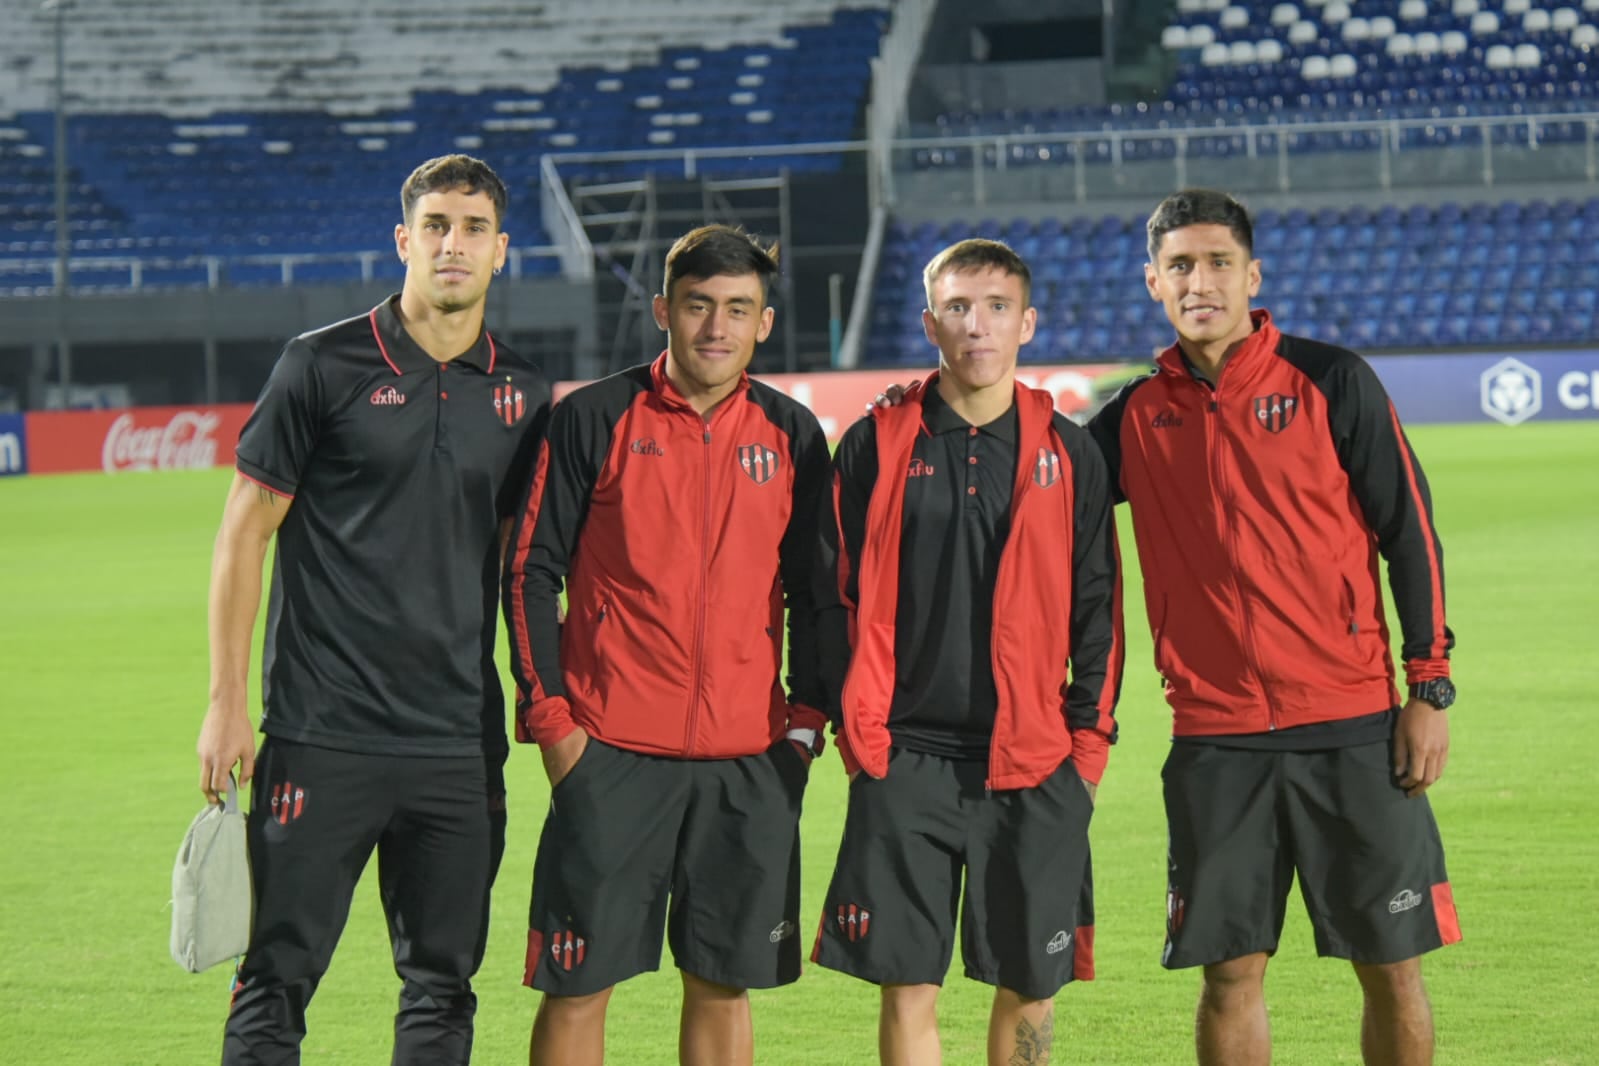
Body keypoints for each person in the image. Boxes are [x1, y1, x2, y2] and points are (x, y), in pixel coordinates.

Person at [1088, 188, 1460, 1066]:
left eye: (1218, 262)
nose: (1199, 280)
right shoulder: (1134, 417)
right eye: (1179, 265)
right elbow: (1031, 474)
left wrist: (1428, 687)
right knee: (1227, 975)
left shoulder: (1331, 379)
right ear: (1153, 282)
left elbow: (1409, 531)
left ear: (1251, 276)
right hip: (1216, 740)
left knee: (1391, 966)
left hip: (1354, 726)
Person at [194, 154, 549, 1066]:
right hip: (323, 733)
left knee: (442, 989)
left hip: (455, 746)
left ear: (502, 250)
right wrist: (226, 704)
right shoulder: (321, 363)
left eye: (473, 229)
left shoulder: (524, 394)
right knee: (274, 980)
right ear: (403, 240)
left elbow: (525, 566)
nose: (452, 244)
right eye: (434, 225)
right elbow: (244, 535)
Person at [503, 224, 831, 1066]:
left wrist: (802, 726)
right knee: (578, 986)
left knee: (723, 986)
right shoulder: (590, 417)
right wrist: (552, 722)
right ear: (663, 311)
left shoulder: (792, 434)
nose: (715, 327)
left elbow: (820, 592)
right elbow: (530, 569)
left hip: (749, 760)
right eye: (697, 307)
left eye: (736, 309)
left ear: (762, 322)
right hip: (609, 751)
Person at [812, 238, 1125, 1066]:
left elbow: (1100, 608)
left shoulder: (1070, 450)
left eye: (994, 308)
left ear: (1027, 323)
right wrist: (857, 738)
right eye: (957, 308)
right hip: (902, 757)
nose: (975, 326)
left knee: (1028, 986)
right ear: (930, 323)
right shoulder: (875, 443)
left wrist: (1086, 747)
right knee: (908, 983)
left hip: (1033, 760)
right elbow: (829, 599)